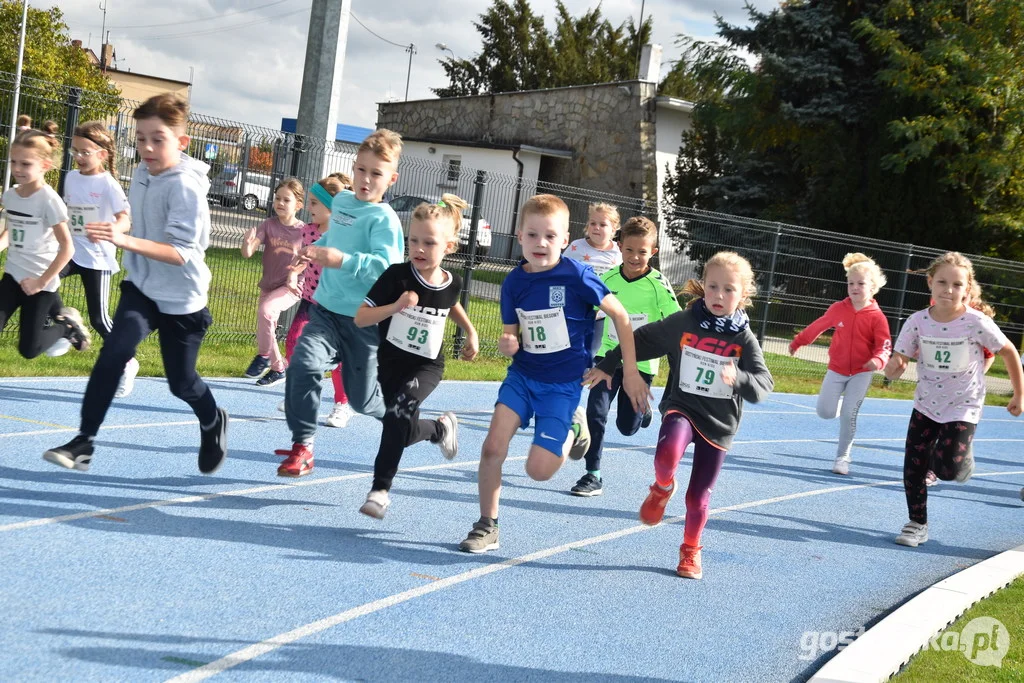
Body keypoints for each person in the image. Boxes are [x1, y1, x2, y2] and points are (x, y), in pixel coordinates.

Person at [43, 93, 228, 474]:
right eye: (140, 138)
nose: (146, 147)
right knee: (113, 353)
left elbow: (181, 253)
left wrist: (122, 240)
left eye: (157, 139)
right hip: (141, 287)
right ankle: (84, 442)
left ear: (181, 143)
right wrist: (118, 228)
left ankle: (213, 419)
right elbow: (131, 217)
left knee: (182, 383)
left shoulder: (186, 188)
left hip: (182, 298)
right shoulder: (144, 170)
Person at [457, 194, 648, 554]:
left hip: (562, 386)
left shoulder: (577, 275)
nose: (540, 243)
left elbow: (621, 317)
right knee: (492, 447)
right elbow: (510, 330)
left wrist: (631, 371)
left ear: (565, 241)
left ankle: (576, 426)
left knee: (539, 471)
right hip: (523, 377)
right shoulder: (514, 282)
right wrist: (508, 342)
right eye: (532, 235)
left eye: (549, 236)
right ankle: (487, 525)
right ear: (519, 237)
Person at [588, 251, 774, 579]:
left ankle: (690, 549)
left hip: (719, 424)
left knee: (698, 496)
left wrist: (739, 377)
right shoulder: (685, 322)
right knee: (668, 451)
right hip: (683, 407)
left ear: (743, 294)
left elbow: (762, 385)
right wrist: (609, 362)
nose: (718, 295)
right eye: (713, 286)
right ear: (703, 286)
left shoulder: (743, 338)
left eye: (728, 290)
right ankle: (662, 487)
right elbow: (641, 340)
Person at [273, 129, 405, 477]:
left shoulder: (385, 220)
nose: (366, 180)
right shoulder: (343, 202)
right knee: (303, 362)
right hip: (326, 311)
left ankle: (400, 414)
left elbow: (386, 268)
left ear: (391, 179)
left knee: (362, 400)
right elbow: (337, 235)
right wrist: (315, 251)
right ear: (353, 167)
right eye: (361, 170)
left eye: (376, 174)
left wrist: (339, 259)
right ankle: (303, 447)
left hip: (363, 321)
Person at [884, 252, 1023, 548]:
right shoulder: (917, 321)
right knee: (913, 467)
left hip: (964, 404)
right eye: (943, 282)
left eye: (957, 284)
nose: (949, 290)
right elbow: (898, 361)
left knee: (948, 470)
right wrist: (893, 368)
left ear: (968, 288)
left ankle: (961, 458)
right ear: (930, 282)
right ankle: (916, 523)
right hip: (926, 404)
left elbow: (1009, 351)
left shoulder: (976, 322)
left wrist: (1019, 393)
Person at [354, 193, 479, 518]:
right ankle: (439, 430)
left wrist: (471, 331)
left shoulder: (453, 282)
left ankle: (380, 491)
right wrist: (396, 306)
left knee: (396, 418)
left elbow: (450, 303)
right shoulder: (397, 277)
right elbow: (361, 318)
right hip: (390, 364)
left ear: (449, 246)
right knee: (401, 427)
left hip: (426, 366)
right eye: (414, 241)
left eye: (429, 242)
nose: (420, 248)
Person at [571, 216, 681, 497]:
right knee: (596, 412)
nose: (635, 257)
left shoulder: (658, 286)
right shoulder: (606, 279)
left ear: (652, 252)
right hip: (606, 362)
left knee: (626, 427)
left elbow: (677, 327)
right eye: (629, 250)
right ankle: (592, 474)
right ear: (619, 247)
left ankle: (642, 411)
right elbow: (586, 311)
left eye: (642, 252)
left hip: (640, 365)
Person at [789, 253, 891, 475]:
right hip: (836, 369)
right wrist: (798, 342)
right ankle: (835, 406)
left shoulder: (877, 317)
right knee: (825, 412)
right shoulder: (838, 309)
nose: (854, 287)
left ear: (873, 287)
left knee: (849, 415)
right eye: (851, 283)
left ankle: (842, 457)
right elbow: (817, 326)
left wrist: (878, 360)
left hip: (862, 372)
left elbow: (884, 344)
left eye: (861, 283)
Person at [0, 124, 91, 359]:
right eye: (14, 162)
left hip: (41, 283)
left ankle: (66, 328)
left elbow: (67, 247)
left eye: (26, 164)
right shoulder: (10, 197)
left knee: (29, 350)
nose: (18, 169)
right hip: (12, 276)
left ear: (45, 166)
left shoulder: (49, 201)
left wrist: (41, 282)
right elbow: (11, 232)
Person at [62, 121, 138, 396]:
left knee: (100, 319)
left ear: (102, 154)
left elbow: (125, 220)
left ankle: (128, 362)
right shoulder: (71, 177)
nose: (79, 157)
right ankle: (64, 327)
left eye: (85, 152)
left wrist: (111, 229)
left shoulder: (108, 185)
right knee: (42, 285)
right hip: (71, 251)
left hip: (97, 258)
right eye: (75, 151)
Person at [276, 176, 353, 426]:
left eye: (314, 203)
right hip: (310, 300)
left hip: (336, 306)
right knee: (293, 341)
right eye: (308, 202)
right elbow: (302, 259)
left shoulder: (345, 235)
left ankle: (342, 404)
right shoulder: (308, 231)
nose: (309, 207)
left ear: (331, 207)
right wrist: (292, 274)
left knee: (336, 357)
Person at [240, 178, 306, 387]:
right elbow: (248, 252)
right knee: (266, 325)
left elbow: (309, 259)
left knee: (267, 313)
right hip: (268, 285)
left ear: (298, 205)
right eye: (277, 198)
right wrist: (247, 244)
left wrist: (295, 274)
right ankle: (272, 362)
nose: (280, 203)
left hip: (290, 287)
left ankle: (270, 362)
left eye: (286, 200)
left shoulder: (304, 231)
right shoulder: (268, 225)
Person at [564, 202, 622, 276]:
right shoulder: (576, 246)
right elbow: (562, 269)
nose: (596, 227)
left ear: (613, 229)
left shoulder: (619, 251)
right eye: (593, 223)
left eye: (602, 225)